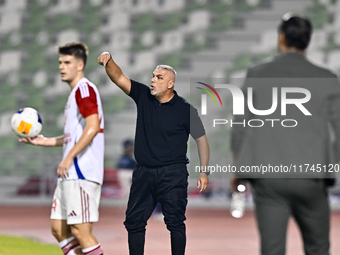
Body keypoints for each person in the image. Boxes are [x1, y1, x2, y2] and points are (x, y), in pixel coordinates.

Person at [230, 13, 340, 255]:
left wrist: (239, 171)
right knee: (318, 247)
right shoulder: (327, 79)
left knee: (272, 249)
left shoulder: (257, 75)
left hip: (270, 180)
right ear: (308, 41)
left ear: (281, 38)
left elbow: (240, 127)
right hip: (312, 180)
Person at [98, 53, 210, 255]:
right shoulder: (143, 96)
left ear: (170, 84)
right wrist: (109, 61)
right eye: (153, 76)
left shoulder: (186, 110)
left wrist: (203, 171)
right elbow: (119, 78)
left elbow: (201, 140)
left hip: (172, 174)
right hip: (143, 172)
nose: (153, 80)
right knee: (134, 222)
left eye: (159, 77)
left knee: (175, 222)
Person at [20, 43, 105, 255]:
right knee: (59, 230)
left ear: (80, 65)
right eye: (60, 62)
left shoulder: (84, 89)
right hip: (70, 173)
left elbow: (93, 127)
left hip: (82, 172)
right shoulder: (74, 94)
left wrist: (68, 158)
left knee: (80, 231)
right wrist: (45, 141)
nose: (62, 67)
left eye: (67, 62)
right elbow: (72, 137)